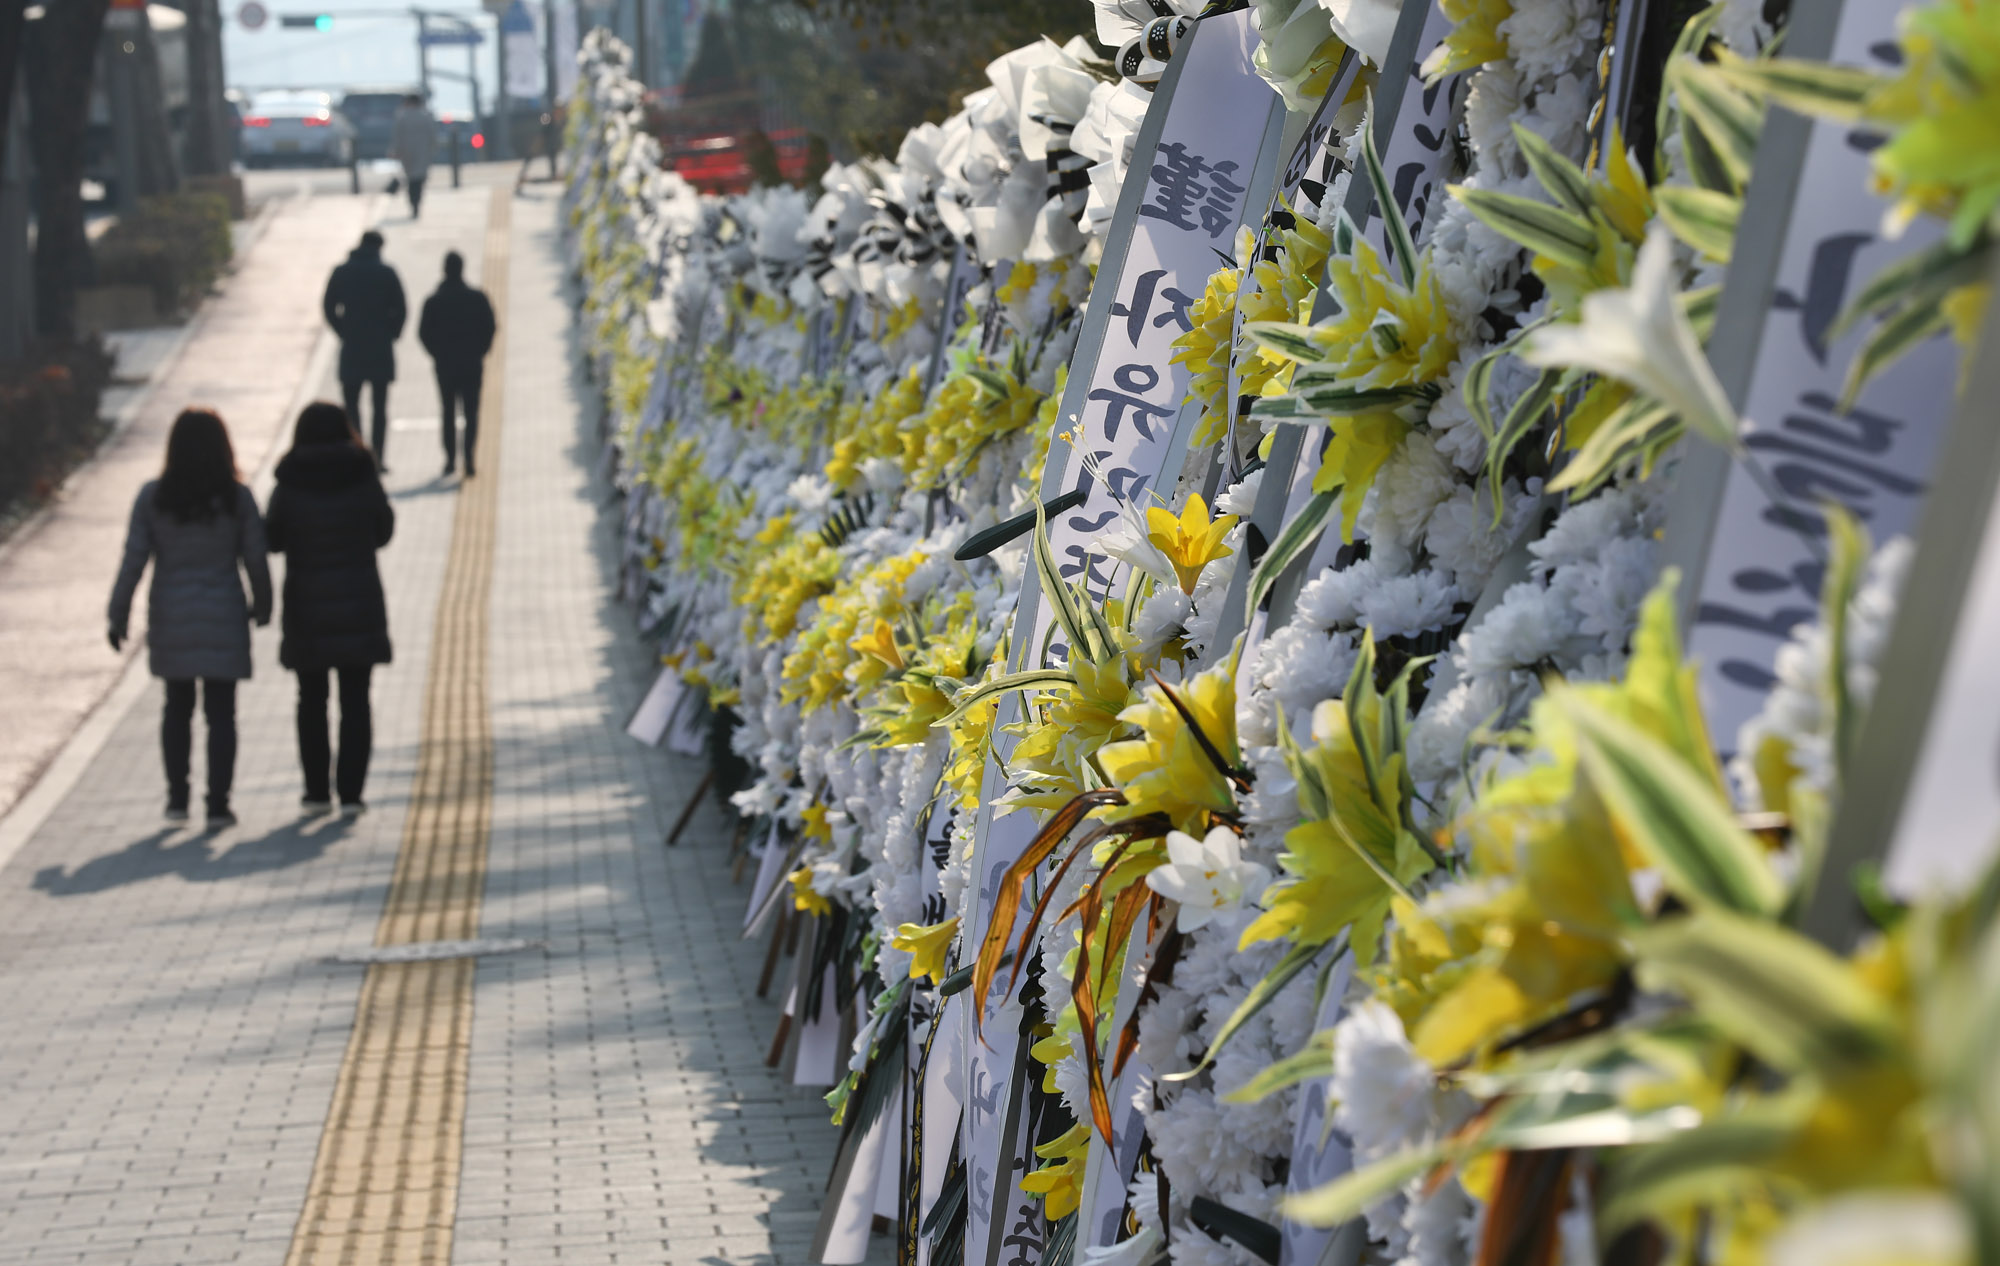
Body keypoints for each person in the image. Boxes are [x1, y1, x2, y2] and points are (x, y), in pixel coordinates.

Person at [107, 409, 272, 827]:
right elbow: (255, 557)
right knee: (222, 714)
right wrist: (264, 602)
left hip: (172, 613)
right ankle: (218, 803)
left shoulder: (154, 497)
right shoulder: (237, 498)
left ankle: (177, 799)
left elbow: (134, 560)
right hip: (223, 612)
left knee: (176, 708)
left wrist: (118, 614)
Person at [264, 403, 395, 817]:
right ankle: (352, 793)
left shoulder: (289, 481)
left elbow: (273, 539)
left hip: (307, 606)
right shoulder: (362, 473)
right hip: (358, 603)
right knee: (356, 699)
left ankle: (316, 792)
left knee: (311, 699)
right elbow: (384, 530)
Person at [322, 229, 406, 472]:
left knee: (351, 407)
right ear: (379, 247)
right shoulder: (387, 273)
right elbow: (401, 307)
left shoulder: (342, 272)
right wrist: (392, 333)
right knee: (380, 407)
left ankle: (356, 455)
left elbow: (328, 306)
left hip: (352, 348)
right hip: (380, 349)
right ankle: (378, 458)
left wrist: (342, 331)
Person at [417, 250, 497, 477]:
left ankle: (450, 460)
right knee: (471, 413)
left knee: (448, 412)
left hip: (445, 366)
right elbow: (490, 327)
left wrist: (437, 354)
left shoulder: (434, 300)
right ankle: (469, 458)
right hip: (472, 364)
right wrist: (481, 351)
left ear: (444, 270)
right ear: (462, 269)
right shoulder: (477, 298)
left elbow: (423, 333)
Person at [390, 92, 436, 218]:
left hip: (407, 154)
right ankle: (417, 203)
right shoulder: (426, 116)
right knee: (419, 181)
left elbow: (398, 138)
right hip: (423, 153)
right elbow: (432, 137)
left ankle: (413, 204)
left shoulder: (402, 117)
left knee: (411, 180)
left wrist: (396, 152)